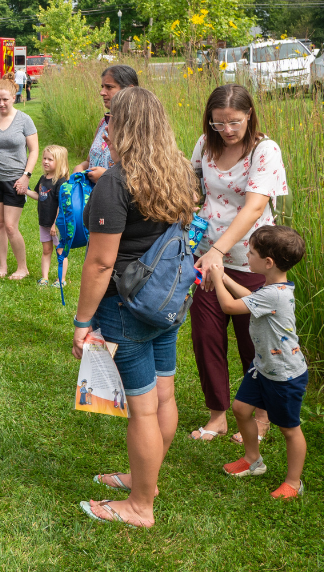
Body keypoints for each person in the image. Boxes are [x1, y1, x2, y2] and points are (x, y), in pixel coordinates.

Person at [73, 86, 198, 528]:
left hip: (126, 305)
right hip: (167, 298)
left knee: (142, 409)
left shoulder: (116, 181)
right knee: (164, 394)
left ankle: (141, 505)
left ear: (119, 126)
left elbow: (101, 262)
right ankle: (146, 480)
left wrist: (82, 320)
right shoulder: (180, 171)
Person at [188, 84, 288, 444]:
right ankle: (217, 415)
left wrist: (219, 249)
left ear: (249, 115)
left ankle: (261, 415)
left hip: (253, 262)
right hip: (209, 256)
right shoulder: (205, 143)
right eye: (218, 124)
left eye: (233, 122)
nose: (226, 131)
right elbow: (194, 185)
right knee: (206, 336)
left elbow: (254, 207)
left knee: (254, 341)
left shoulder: (265, 150)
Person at [206, 225, 307, 500]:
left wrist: (217, 277)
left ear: (268, 262)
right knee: (240, 409)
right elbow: (250, 298)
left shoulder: (274, 294)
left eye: (250, 252)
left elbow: (229, 306)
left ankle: (293, 482)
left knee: (289, 428)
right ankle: (253, 460)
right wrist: (224, 276)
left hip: (284, 374)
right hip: (263, 366)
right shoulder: (273, 286)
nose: (246, 256)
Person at [0, 78, 38, 279]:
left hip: (15, 180)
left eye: (5, 99)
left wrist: (26, 176)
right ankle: (2, 266)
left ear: (13, 98)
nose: (1, 104)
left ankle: (22, 268)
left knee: (11, 226)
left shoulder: (24, 120)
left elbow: (34, 150)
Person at [74, 65, 139, 182]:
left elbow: (142, 174)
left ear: (130, 89)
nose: (102, 92)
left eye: (109, 87)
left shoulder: (138, 127)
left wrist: (106, 176)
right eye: (102, 87)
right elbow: (90, 160)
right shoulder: (104, 123)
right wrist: (80, 167)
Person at [25, 144, 69, 287]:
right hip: (44, 222)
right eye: (44, 158)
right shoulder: (44, 178)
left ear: (60, 161)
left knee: (60, 250)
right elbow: (39, 196)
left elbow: (61, 205)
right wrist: (25, 190)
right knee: (46, 250)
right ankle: (44, 277)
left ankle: (61, 279)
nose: (45, 161)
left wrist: (55, 224)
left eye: (50, 159)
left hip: (56, 224)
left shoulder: (61, 181)